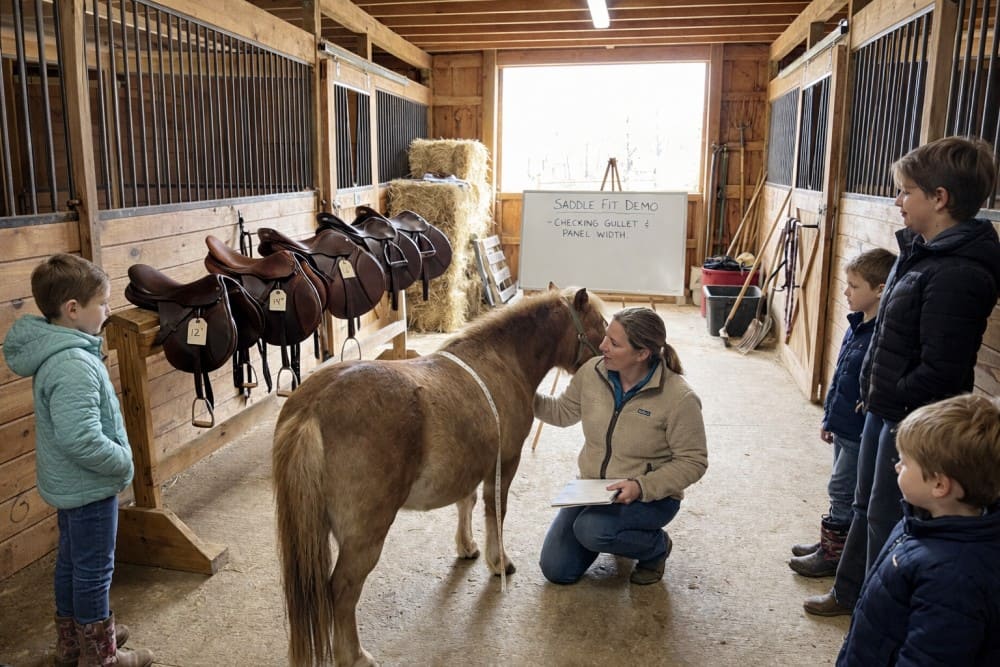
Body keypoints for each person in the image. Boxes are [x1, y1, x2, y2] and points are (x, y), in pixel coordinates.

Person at [805, 135, 1000, 616]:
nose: (897, 201)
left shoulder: (958, 273)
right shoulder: (920, 252)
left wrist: (891, 394)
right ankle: (850, 590)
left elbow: (942, 369)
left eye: (906, 191)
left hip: (908, 417)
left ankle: (879, 607)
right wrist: (875, 391)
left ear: (940, 198)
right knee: (867, 507)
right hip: (885, 407)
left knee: (887, 515)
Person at [2, 254, 154, 666]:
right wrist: (122, 462)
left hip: (72, 485)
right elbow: (81, 438)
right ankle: (101, 655)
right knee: (94, 571)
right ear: (73, 309)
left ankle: (75, 642)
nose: (108, 310)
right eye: (102, 303)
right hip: (90, 486)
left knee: (73, 563)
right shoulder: (73, 365)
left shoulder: (63, 350)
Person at [533, 307, 708, 585]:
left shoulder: (679, 398)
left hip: (649, 497)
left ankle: (656, 548)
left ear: (642, 354)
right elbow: (562, 412)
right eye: (606, 337)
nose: (602, 346)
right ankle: (612, 533)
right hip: (593, 490)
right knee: (557, 569)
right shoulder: (592, 372)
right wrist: (522, 393)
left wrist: (641, 486)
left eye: (614, 343)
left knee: (591, 530)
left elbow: (693, 461)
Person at [837, 393, 1000, 665]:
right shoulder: (923, 519)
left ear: (939, 485)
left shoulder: (953, 581)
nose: (896, 466)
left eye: (904, 462)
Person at [789, 248, 895, 577]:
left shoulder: (882, 334)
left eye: (854, 286)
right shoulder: (856, 325)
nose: (846, 292)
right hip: (843, 423)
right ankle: (832, 543)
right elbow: (840, 378)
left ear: (880, 290)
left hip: (859, 430)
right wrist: (828, 418)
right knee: (841, 486)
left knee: (842, 489)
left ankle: (835, 556)